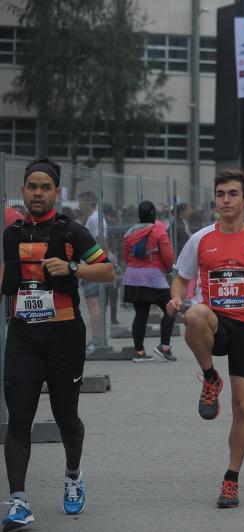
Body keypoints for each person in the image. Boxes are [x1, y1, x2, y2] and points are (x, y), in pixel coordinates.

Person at [1, 159, 115, 530]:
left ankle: (73, 475)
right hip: (22, 336)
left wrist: (74, 269)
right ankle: (18, 500)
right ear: (23, 191)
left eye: (45, 187)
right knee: (18, 419)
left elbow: (108, 271)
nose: (38, 193)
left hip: (64, 337)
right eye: (32, 186)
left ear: (56, 193)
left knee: (67, 418)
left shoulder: (73, 232)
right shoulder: (11, 233)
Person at [166, 169, 244, 508]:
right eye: (221, 194)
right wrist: (176, 296)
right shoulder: (202, 239)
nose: (226, 200)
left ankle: (231, 479)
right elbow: (181, 279)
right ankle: (209, 377)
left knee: (243, 406)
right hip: (216, 323)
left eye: (233, 194)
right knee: (193, 314)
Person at [122, 200, 177, 362]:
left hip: (132, 277)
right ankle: (164, 347)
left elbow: (126, 256)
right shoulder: (159, 231)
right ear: (154, 214)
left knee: (140, 314)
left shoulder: (129, 233)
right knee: (171, 309)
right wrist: (168, 269)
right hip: (153, 278)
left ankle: (139, 352)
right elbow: (167, 255)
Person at [77, 190, 108, 354]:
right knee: (93, 303)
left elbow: (100, 241)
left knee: (93, 303)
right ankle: (97, 338)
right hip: (92, 267)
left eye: (81, 202)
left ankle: (97, 339)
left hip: (92, 268)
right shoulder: (94, 218)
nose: (79, 205)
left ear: (88, 203)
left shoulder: (95, 218)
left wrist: (98, 265)